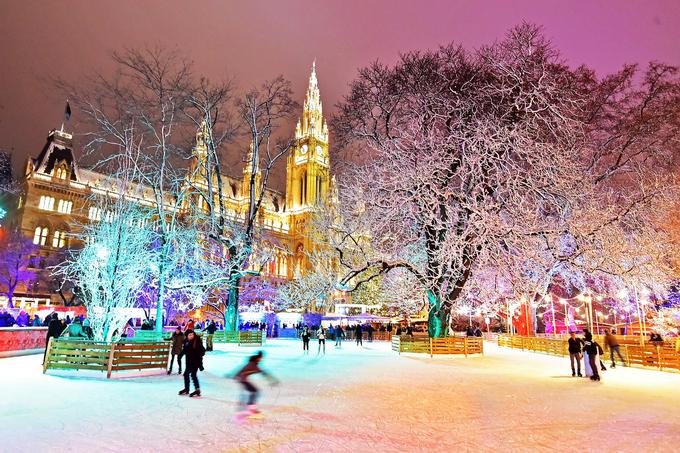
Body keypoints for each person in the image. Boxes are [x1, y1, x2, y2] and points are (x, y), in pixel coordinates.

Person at [234, 351, 279, 415]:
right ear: (257, 358)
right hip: (243, 380)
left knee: (253, 391)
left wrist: (235, 376)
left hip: (242, 379)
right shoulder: (253, 365)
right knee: (255, 391)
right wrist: (273, 381)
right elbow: (264, 373)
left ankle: (246, 407)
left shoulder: (251, 364)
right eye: (260, 358)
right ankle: (250, 408)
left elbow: (240, 370)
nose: (261, 359)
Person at [179, 329, 205, 397]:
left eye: (192, 334)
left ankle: (197, 389)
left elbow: (200, 353)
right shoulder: (186, 341)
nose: (191, 336)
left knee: (193, 375)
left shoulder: (197, 341)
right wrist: (180, 356)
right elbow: (185, 350)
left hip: (195, 361)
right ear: (187, 336)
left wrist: (200, 365)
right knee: (187, 374)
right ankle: (187, 389)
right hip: (188, 361)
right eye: (189, 335)